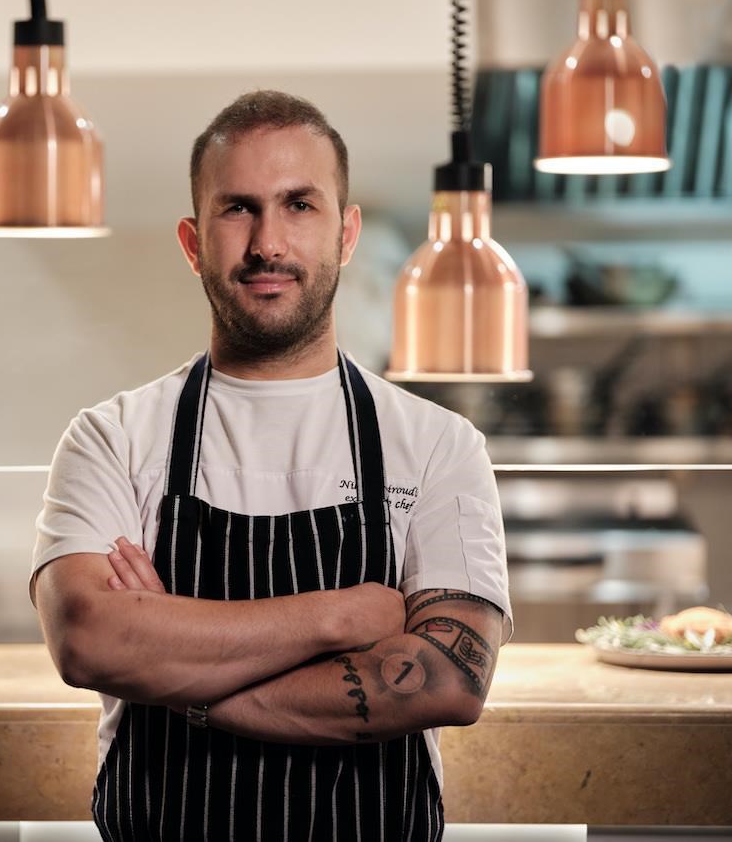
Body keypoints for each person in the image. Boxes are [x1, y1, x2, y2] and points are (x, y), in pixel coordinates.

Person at [30, 90, 512, 842]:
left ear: (346, 234)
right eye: (238, 209)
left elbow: (447, 681)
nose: (267, 243)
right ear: (193, 242)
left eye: (299, 205)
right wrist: (344, 617)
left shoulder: (438, 444)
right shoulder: (112, 438)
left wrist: (179, 680)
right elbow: (88, 640)